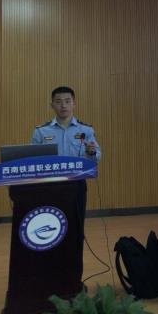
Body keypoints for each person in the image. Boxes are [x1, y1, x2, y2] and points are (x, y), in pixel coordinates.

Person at [31, 86, 101, 278]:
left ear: (74, 104)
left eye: (67, 101)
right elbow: (31, 160)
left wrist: (92, 152)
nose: (63, 105)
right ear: (52, 105)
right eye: (59, 101)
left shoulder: (85, 130)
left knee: (76, 232)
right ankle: (52, 278)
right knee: (52, 233)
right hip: (49, 189)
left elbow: (96, 157)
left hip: (76, 188)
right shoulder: (41, 132)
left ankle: (74, 279)